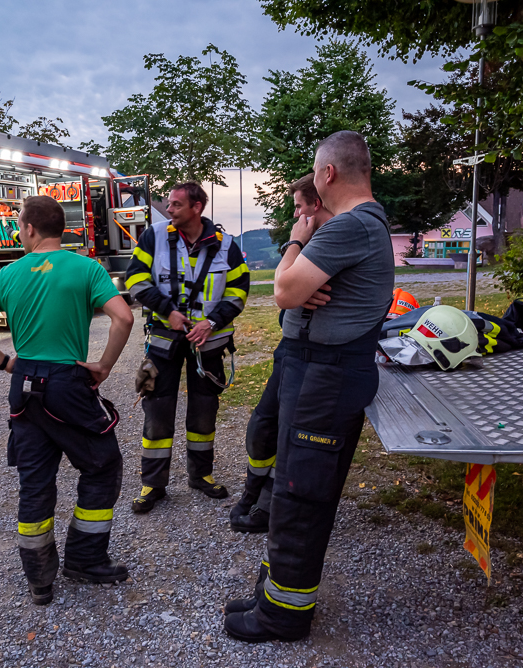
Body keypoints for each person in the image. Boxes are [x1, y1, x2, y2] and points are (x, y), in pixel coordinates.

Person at [223, 131, 395, 642]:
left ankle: (284, 616)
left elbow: (283, 290)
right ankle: (273, 591)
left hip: (328, 375)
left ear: (327, 174)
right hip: (317, 371)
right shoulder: (357, 225)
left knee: (303, 494)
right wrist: (299, 283)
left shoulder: (351, 225)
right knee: (292, 484)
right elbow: (294, 294)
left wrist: (296, 244)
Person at [0, 195, 135, 606]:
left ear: (30, 228)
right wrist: (104, 365)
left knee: (35, 482)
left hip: (25, 385)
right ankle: (85, 559)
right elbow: (124, 318)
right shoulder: (86, 268)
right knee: (102, 465)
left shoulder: (8, 274)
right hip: (68, 383)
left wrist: (6, 363)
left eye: (20, 225)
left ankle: (39, 579)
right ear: (62, 229)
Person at [124, 182, 250, 513]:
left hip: (208, 342)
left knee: (204, 410)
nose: (169, 209)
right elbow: (134, 279)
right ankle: (153, 484)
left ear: (197, 207)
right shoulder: (153, 237)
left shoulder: (226, 246)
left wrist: (212, 322)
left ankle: (201, 476)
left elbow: (239, 291)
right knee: (157, 411)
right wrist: (167, 310)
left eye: (176, 204)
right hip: (164, 340)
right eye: (169, 203)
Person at [229, 173, 334, 534]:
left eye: (299, 207)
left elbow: (284, 292)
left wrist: (294, 244)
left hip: (313, 358)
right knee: (262, 427)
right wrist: (294, 294)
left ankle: (269, 506)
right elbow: (286, 299)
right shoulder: (314, 244)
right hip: (290, 349)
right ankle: (253, 492)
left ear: (315, 205)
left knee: (290, 437)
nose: (295, 215)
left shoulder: (325, 242)